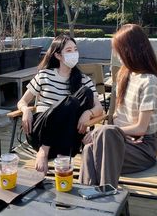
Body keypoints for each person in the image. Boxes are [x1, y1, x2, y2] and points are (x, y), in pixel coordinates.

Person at [79, 24, 157, 188]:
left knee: (99, 140)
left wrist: (107, 132)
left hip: (141, 149)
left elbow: (141, 128)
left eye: (118, 50)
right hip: (120, 140)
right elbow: (118, 118)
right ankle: (92, 201)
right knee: (89, 150)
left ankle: (104, 197)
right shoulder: (124, 74)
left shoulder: (150, 82)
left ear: (131, 50)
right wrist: (114, 134)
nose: (116, 55)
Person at [17, 34, 103, 175]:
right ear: (58, 55)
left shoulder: (83, 79)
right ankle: (44, 151)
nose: (74, 53)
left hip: (67, 137)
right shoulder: (44, 75)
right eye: (69, 51)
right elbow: (22, 101)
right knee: (72, 101)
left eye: (75, 49)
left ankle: (60, 165)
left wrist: (88, 113)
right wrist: (26, 110)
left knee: (84, 93)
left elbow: (99, 108)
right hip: (40, 133)